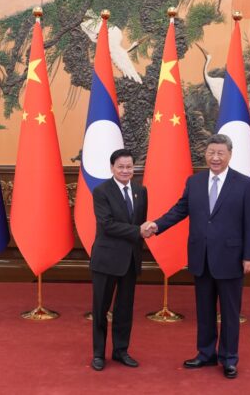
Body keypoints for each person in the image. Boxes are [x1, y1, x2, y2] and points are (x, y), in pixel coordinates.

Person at [144, 134, 250, 379]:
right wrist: (157, 225)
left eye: (220, 153)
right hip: (201, 257)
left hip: (231, 258)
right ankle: (205, 353)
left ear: (229, 155)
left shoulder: (245, 185)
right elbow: (180, 209)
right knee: (204, 310)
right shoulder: (194, 182)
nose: (215, 158)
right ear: (205, 154)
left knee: (229, 313)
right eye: (211, 153)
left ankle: (229, 358)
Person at [90, 148, 152, 371]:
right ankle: (98, 353)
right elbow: (107, 224)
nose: (125, 171)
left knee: (125, 309)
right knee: (101, 309)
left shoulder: (140, 191)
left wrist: (144, 230)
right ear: (112, 168)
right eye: (121, 167)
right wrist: (138, 231)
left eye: (129, 167)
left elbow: (141, 222)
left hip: (130, 260)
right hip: (106, 260)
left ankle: (121, 351)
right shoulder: (101, 191)